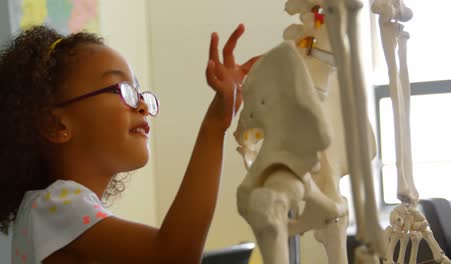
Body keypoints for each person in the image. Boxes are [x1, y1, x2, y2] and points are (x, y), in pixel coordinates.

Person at [0, 24, 258, 263]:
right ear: (56, 125)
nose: (143, 105)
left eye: (139, 92)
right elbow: (174, 254)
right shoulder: (52, 206)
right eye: (121, 89)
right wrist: (214, 127)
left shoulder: (53, 211)